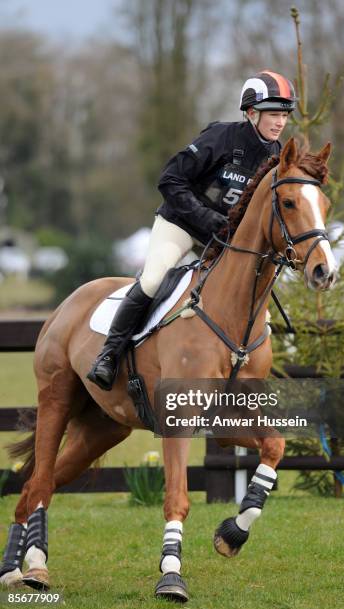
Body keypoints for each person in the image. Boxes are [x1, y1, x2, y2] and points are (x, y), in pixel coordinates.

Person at [87, 70, 297, 390]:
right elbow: (169, 180)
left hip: (224, 239)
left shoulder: (277, 156)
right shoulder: (221, 138)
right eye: (273, 114)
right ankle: (109, 354)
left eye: (284, 115)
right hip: (181, 224)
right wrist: (205, 218)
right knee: (155, 279)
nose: (280, 122)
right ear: (251, 113)